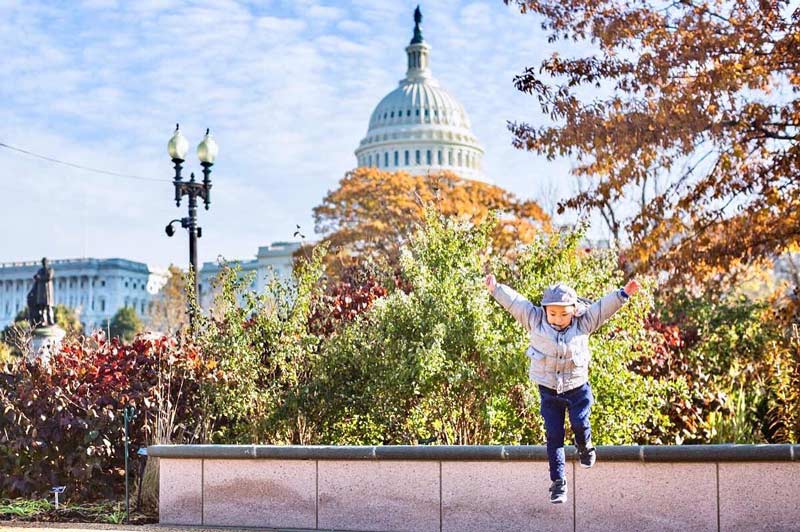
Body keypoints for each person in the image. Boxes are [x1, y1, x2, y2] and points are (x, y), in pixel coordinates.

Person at [485, 273, 640, 504]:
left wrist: (623, 294)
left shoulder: (583, 322)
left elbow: (601, 309)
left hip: (577, 388)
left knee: (579, 421)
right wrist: (496, 289)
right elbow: (516, 303)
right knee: (554, 436)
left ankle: (585, 446)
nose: (558, 319)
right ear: (545, 310)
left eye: (564, 314)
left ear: (574, 310)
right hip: (549, 390)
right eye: (553, 314)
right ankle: (558, 483)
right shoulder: (534, 320)